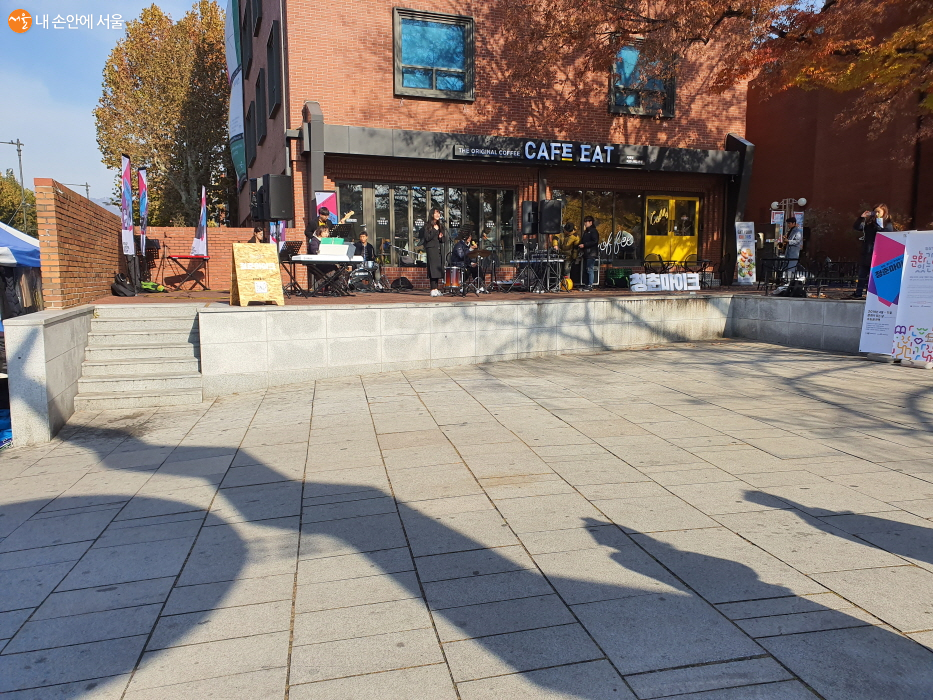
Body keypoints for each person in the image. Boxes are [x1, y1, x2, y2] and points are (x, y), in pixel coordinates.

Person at [851, 204, 894, 299]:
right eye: (875, 211)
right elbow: (858, 227)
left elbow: (885, 234)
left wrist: (878, 224)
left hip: (878, 253)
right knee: (862, 274)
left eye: (879, 212)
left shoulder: (887, 224)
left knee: (875, 275)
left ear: (884, 213)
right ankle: (858, 293)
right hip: (867, 252)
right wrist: (862, 218)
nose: (876, 213)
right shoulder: (870, 224)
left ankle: (872, 295)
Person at [419, 207, 445, 296]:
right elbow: (427, 238)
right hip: (431, 249)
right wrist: (434, 230)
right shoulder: (427, 226)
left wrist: (441, 237)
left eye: (439, 213)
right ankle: (432, 288)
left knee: (438, 269)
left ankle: (436, 288)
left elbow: (443, 240)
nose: (438, 215)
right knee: (433, 268)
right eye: (436, 213)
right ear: (432, 215)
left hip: (438, 248)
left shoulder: (440, 225)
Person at [578, 216, 599, 291]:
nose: (585, 223)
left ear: (591, 222)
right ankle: (586, 284)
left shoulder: (593, 231)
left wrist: (585, 245)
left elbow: (595, 241)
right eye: (584, 222)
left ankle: (590, 285)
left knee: (589, 269)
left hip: (591, 253)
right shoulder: (586, 232)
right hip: (586, 253)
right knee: (585, 269)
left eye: (586, 222)